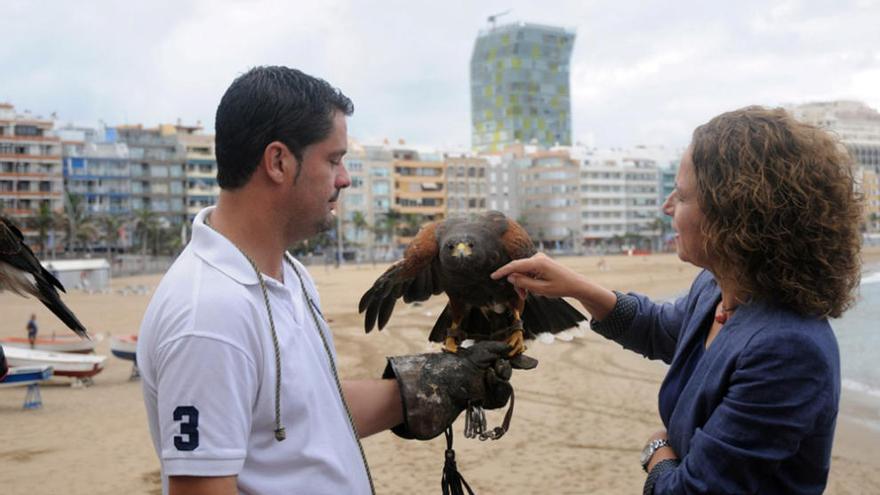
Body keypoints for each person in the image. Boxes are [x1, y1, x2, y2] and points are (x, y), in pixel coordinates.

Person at [138, 66, 513, 495]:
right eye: (333, 159)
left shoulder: (289, 276)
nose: (345, 178)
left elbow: (311, 413)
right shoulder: (208, 314)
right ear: (278, 161)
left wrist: (442, 382)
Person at [492, 106, 862, 494]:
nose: (667, 206)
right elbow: (661, 330)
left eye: (682, 196)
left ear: (732, 215)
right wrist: (577, 288)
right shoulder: (717, 289)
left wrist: (656, 451)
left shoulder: (787, 351)